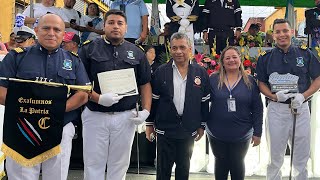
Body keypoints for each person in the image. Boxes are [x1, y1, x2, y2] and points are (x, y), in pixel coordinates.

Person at [0, 13, 90, 180]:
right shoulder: (16, 57)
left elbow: (83, 94)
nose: (51, 33)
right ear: (36, 30)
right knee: (21, 176)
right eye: (46, 28)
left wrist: (56, 110)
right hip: (22, 127)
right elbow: (1, 89)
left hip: (60, 127)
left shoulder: (73, 61)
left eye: (57, 29)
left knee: (56, 176)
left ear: (63, 34)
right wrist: (26, 108)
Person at [79, 9, 152, 180]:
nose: (115, 26)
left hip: (125, 117)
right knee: (93, 162)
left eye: (120, 23)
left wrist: (146, 111)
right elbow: (80, 83)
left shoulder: (137, 52)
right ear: (104, 26)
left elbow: (145, 83)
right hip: (95, 115)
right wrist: (97, 98)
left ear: (126, 28)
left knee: (119, 164)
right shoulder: (89, 50)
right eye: (111, 22)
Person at [255, 18, 320, 180]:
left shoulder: (305, 54)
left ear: (292, 32)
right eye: (278, 32)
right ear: (273, 35)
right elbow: (261, 83)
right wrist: (273, 96)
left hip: (301, 108)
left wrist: (304, 95)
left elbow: (318, 78)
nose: (282, 34)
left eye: (285, 31)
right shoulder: (265, 57)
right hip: (277, 109)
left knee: (301, 156)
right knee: (275, 156)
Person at [145, 32, 210, 180]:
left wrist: (202, 125)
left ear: (190, 48)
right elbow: (153, 100)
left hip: (188, 130)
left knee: (183, 171)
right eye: (174, 48)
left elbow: (204, 102)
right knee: (163, 172)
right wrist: (149, 124)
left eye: (182, 47)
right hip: (164, 130)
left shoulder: (200, 73)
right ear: (170, 49)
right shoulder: (161, 72)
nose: (178, 51)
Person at [206, 46, 263, 180]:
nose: (231, 60)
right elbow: (202, 103)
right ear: (222, 62)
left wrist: (258, 132)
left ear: (240, 60)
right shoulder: (213, 80)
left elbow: (257, 108)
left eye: (234, 57)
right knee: (220, 165)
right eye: (227, 58)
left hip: (242, 133)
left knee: (237, 164)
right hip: (216, 132)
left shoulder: (250, 82)